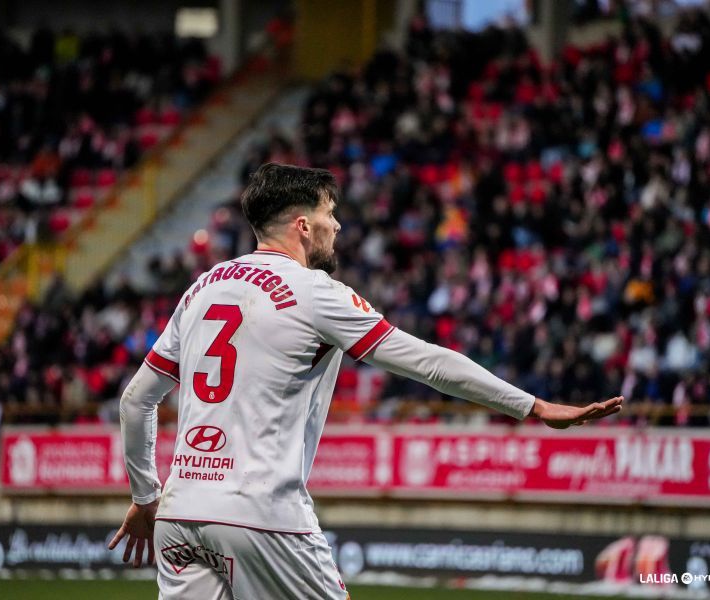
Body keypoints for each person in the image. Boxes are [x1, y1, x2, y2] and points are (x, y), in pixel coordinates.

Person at [109, 163, 623, 599]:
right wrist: (532, 406)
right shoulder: (314, 292)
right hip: (260, 511)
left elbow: (136, 401)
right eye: (331, 214)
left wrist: (145, 495)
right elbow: (428, 363)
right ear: (304, 226)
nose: (338, 226)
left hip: (179, 513)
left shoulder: (202, 288)